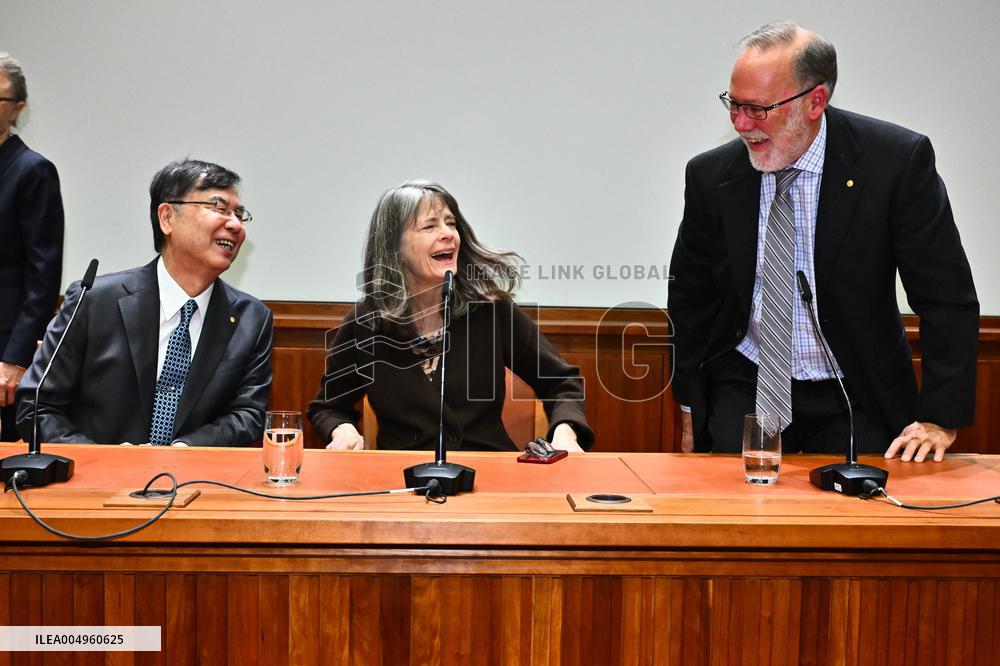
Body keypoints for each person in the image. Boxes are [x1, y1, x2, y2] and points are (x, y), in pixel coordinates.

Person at [667, 21, 978, 463]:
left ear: (815, 101)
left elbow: (945, 295)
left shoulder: (894, 163)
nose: (741, 124)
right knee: (737, 519)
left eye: (758, 109)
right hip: (748, 385)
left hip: (857, 388)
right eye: (733, 105)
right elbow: (689, 297)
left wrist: (940, 417)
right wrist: (690, 404)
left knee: (859, 522)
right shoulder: (711, 176)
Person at [308, 180, 593, 452]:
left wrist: (565, 431)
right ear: (395, 247)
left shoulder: (491, 310)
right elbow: (328, 406)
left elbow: (561, 383)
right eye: (430, 226)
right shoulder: (366, 323)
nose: (447, 233)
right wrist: (342, 428)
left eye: (451, 223)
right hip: (404, 484)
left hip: (487, 478)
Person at [16, 159, 273, 446]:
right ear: (167, 218)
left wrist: (182, 452)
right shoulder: (94, 301)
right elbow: (37, 407)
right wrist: (107, 462)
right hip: (97, 483)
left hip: (195, 481)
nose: (235, 224)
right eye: (219, 208)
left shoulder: (252, 319)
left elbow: (248, 415)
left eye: (239, 213)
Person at [0, 52, 64, 442]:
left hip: (3, 344)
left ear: (17, 108)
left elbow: (43, 274)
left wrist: (16, 357)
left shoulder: (31, 170)